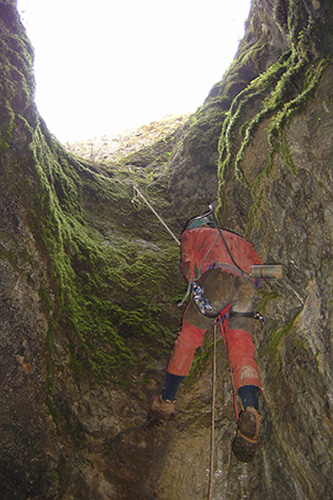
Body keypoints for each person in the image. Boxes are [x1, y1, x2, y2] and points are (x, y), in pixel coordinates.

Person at [150, 213, 264, 462]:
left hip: (217, 280)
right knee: (242, 351)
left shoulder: (193, 234)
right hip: (246, 287)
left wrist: (194, 283)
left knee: (189, 337)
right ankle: (251, 409)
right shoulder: (241, 242)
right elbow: (263, 270)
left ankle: (166, 401)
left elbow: (188, 265)